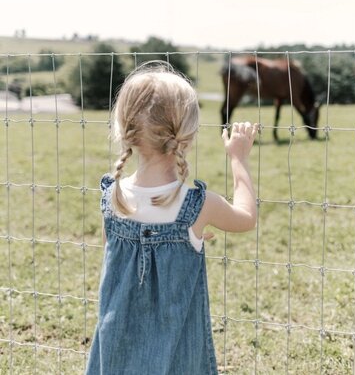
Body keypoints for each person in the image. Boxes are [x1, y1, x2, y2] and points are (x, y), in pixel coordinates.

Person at [85, 61, 259, 375]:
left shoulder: (113, 196)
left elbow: (115, 250)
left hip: (117, 348)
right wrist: (239, 159)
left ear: (125, 129)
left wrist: (180, 242)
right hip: (177, 354)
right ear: (187, 134)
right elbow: (246, 217)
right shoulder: (198, 205)